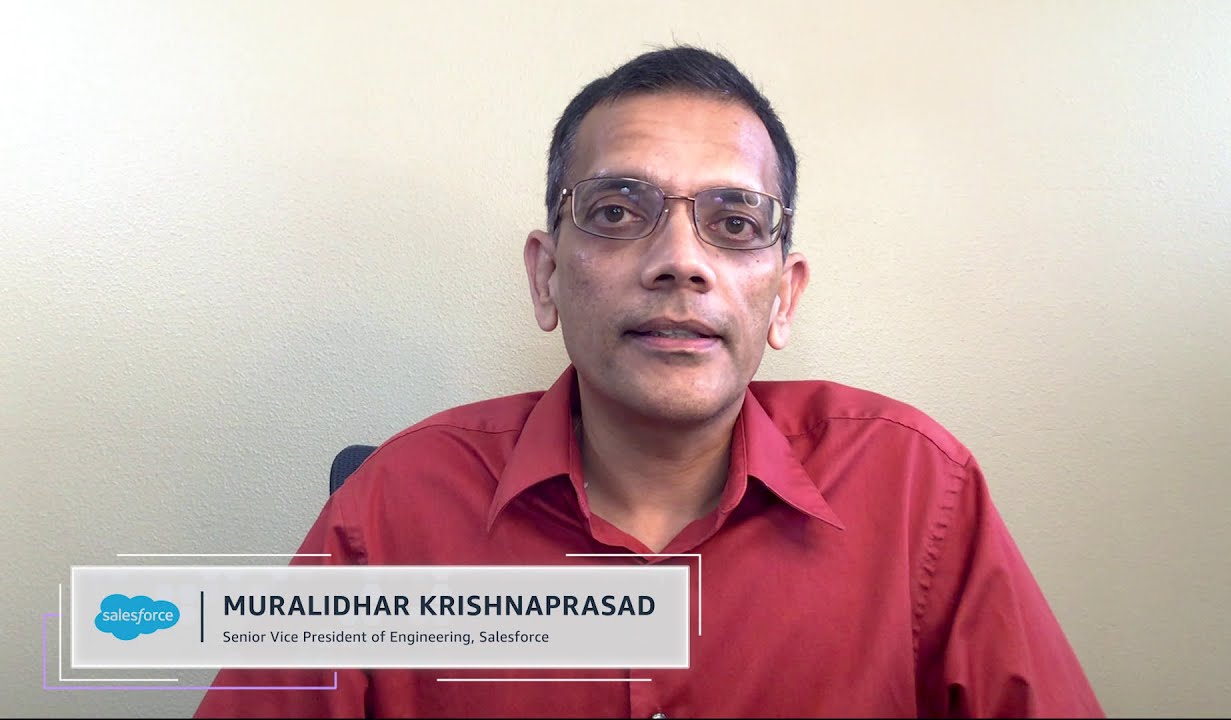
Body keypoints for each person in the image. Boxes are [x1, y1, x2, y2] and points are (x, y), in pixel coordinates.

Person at [195, 45, 1103, 718]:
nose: (680, 261)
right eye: (617, 211)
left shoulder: (916, 491)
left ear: (784, 297)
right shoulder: (394, 507)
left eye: (734, 223)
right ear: (547, 277)